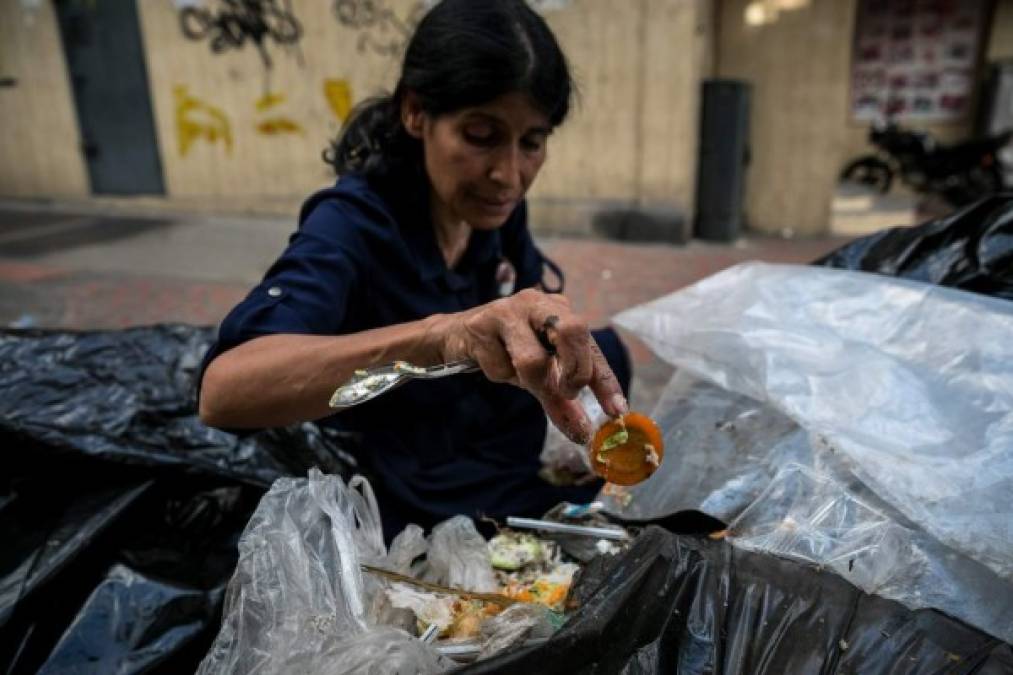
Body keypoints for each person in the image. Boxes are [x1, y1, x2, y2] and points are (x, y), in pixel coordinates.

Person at [198, 0, 632, 540]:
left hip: (464, 426)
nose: (508, 175)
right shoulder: (353, 222)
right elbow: (224, 390)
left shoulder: (495, 212)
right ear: (416, 113)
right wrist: (442, 336)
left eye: (532, 142)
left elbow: (521, 308)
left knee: (603, 353)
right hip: (391, 456)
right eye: (480, 135)